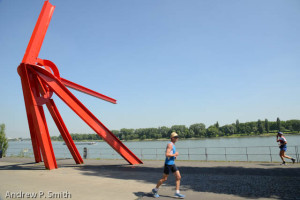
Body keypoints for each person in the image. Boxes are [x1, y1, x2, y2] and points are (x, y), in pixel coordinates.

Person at [152, 132, 185, 198]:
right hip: (168, 164)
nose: (177, 138)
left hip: (172, 164)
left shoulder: (173, 145)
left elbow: (170, 154)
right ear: (172, 138)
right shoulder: (170, 145)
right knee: (164, 179)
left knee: (178, 177)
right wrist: (175, 155)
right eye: (176, 137)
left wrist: (174, 156)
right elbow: (167, 154)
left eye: (177, 137)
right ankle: (155, 190)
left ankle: (177, 193)